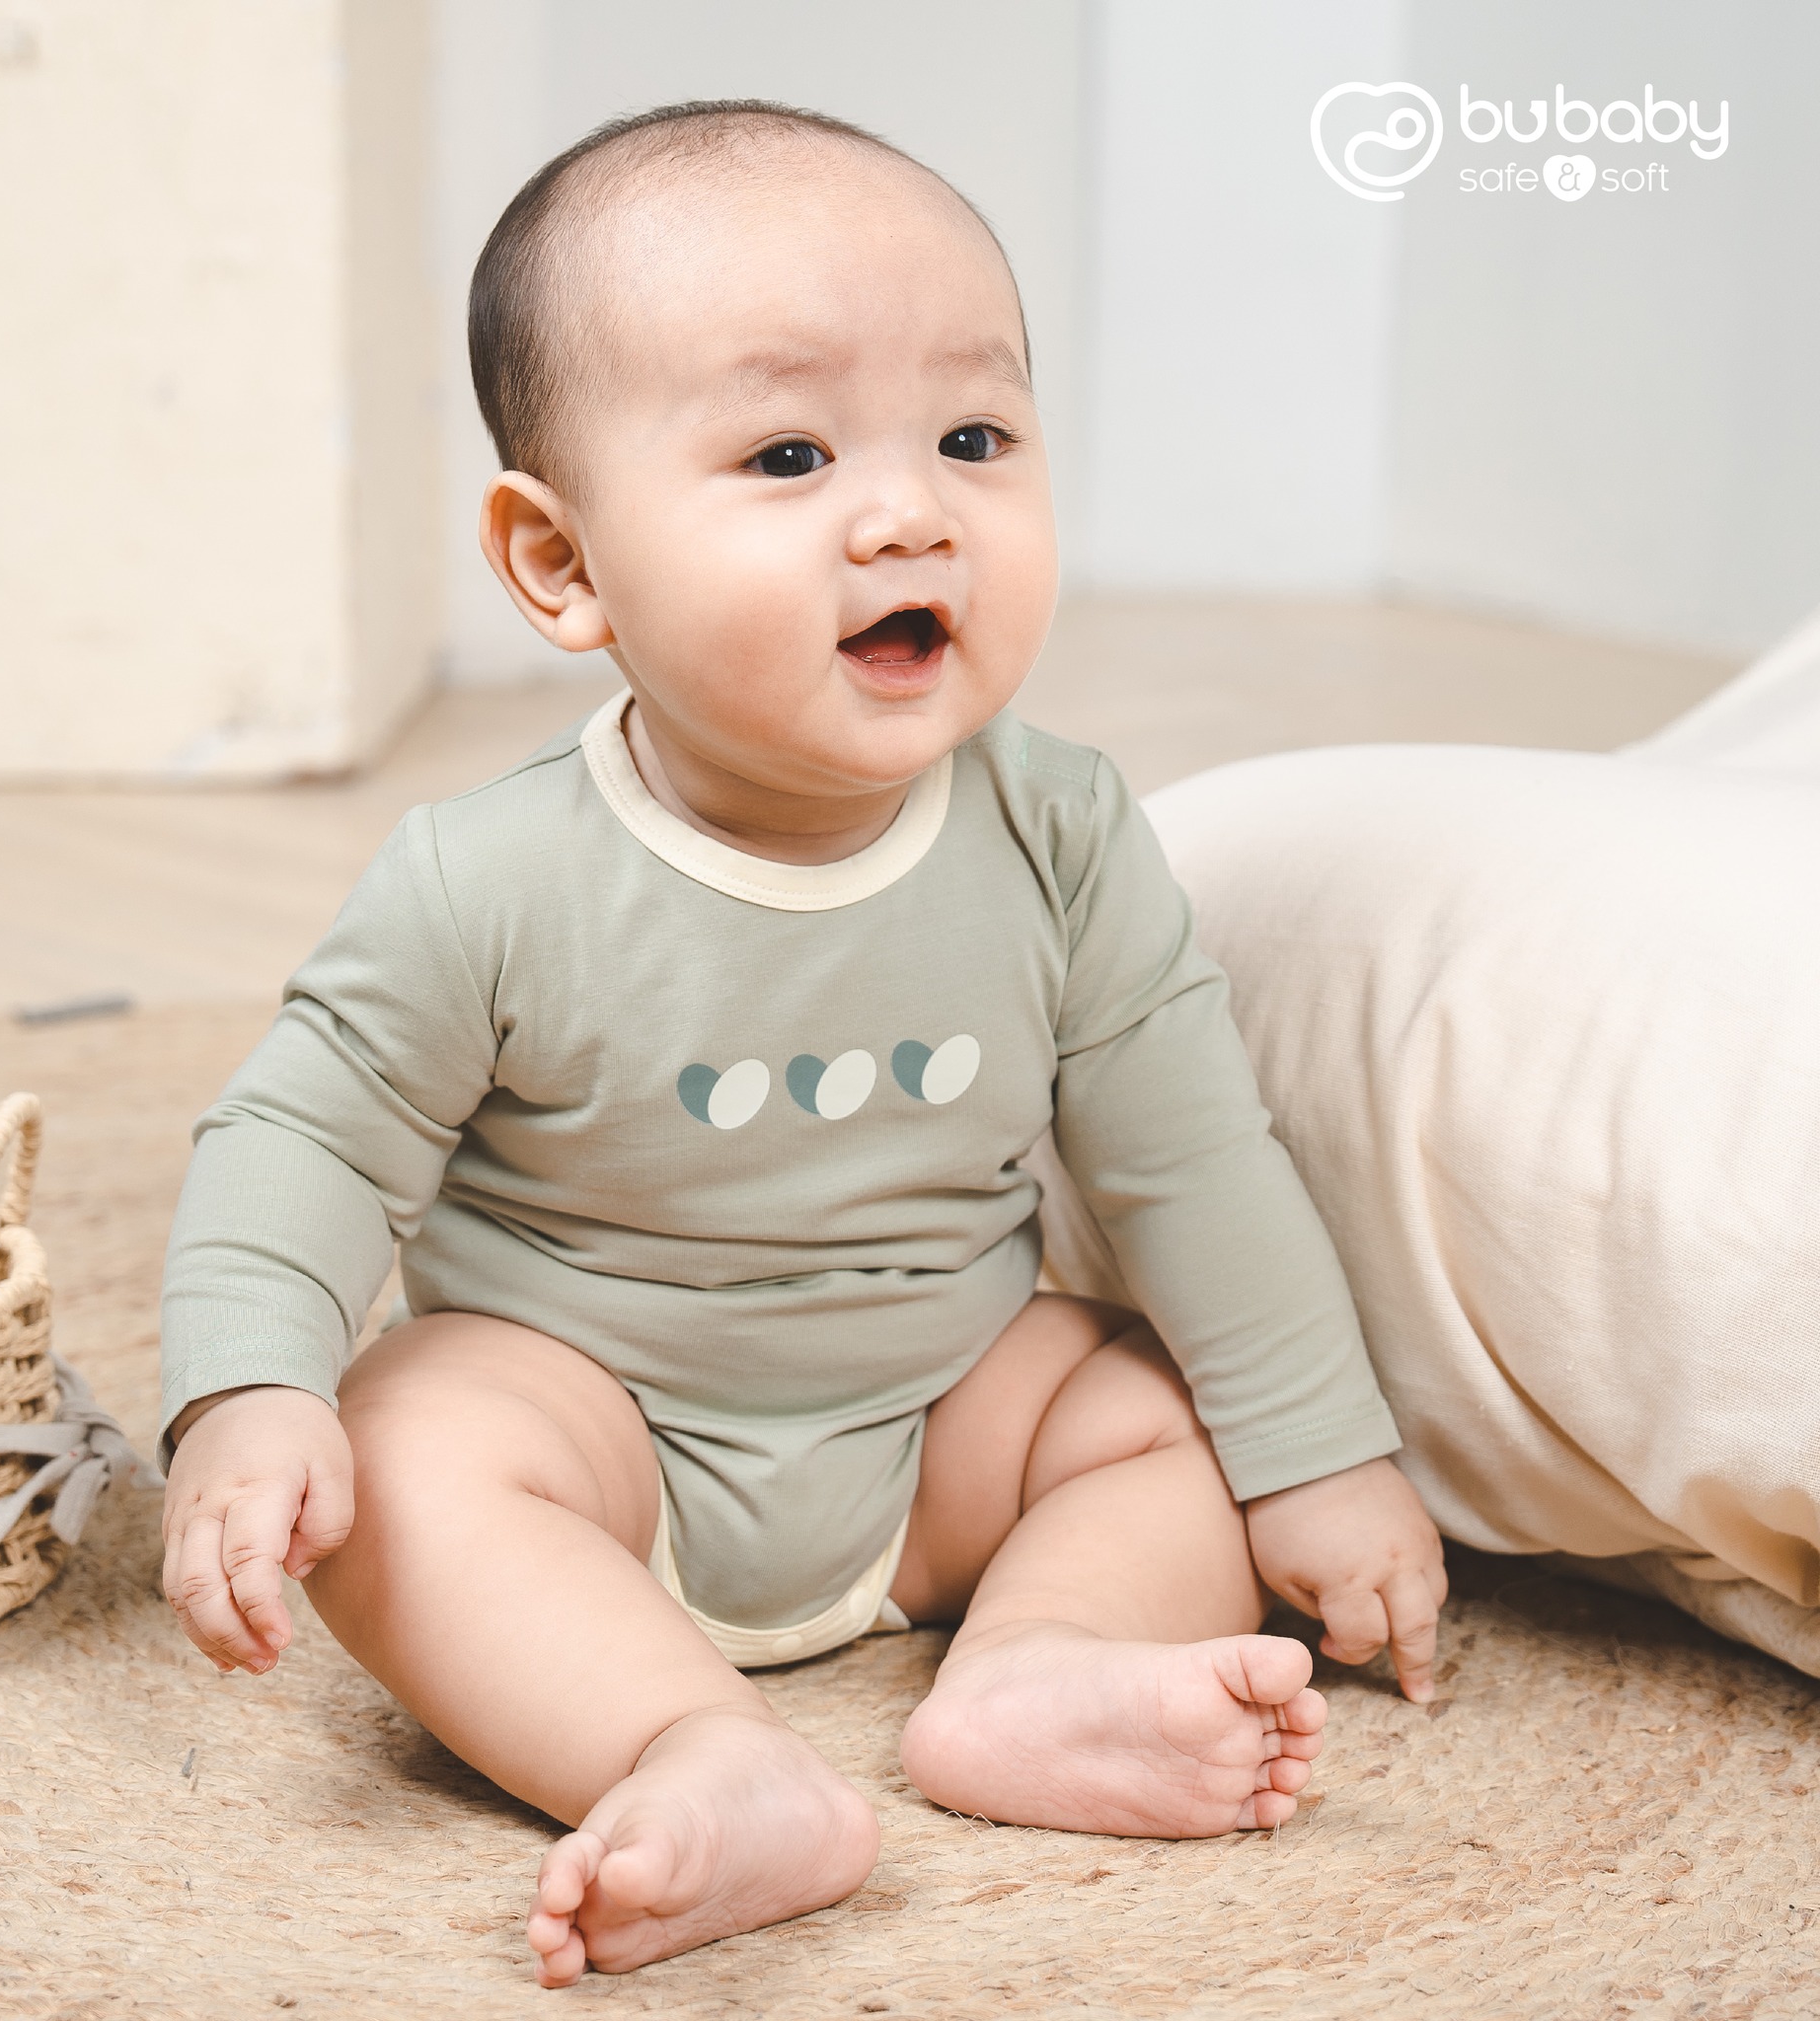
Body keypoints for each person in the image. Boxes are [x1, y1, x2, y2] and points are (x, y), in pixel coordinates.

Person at [157, 101, 1446, 1987]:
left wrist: (1320, 1453)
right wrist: (249, 1393)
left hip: (937, 1430)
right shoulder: (488, 879)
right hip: (603, 1452)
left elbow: (1189, 1162)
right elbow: (308, 1141)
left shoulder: (1063, 833)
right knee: (396, 1444)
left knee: (1159, 1406)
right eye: (788, 453)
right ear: (563, 564)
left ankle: (1039, 1669)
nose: (915, 513)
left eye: (975, 439)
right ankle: (694, 1747)